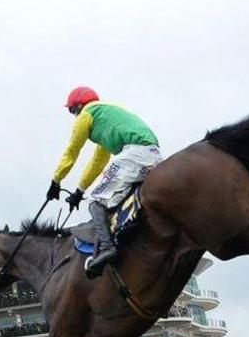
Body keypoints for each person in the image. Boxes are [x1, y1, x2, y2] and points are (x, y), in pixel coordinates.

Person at [46, 87, 162, 275]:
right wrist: (79, 191)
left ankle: (108, 247)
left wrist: (55, 181)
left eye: (72, 110)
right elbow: (98, 161)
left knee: (96, 200)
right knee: (113, 198)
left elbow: (71, 152)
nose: (74, 116)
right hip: (153, 155)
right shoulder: (105, 119)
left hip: (134, 154)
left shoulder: (86, 115)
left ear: (79, 105)